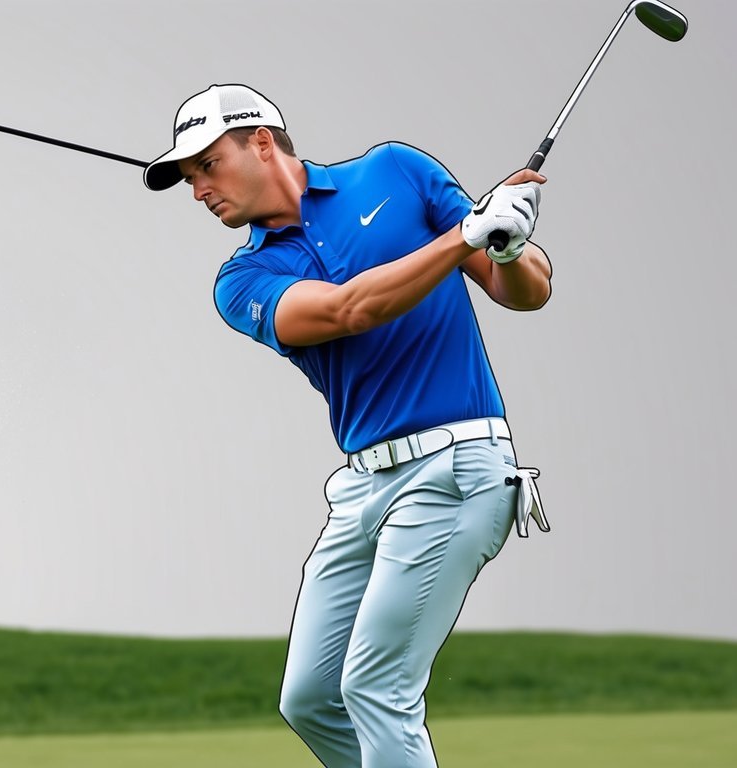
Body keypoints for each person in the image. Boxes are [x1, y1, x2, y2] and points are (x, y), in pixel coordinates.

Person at [143, 84, 551, 767]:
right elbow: (345, 313)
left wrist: (505, 246)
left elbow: (526, 291)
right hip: (361, 490)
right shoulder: (243, 278)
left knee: (374, 686)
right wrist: (463, 235)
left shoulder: (394, 170)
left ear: (261, 143)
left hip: (456, 471)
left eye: (206, 165)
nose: (197, 191)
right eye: (187, 179)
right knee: (309, 697)